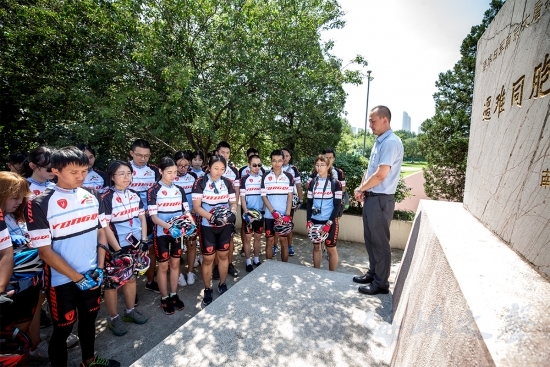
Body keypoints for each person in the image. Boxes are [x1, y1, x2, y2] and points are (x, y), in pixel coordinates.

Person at [25, 146, 120, 367]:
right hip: (62, 281)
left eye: (84, 171)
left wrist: (98, 266)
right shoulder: (39, 203)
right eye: (73, 172)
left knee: (89, 321)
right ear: (56, 170)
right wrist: (77, 278)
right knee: (63, 328)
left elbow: (100, 232)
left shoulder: (93, 195)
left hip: (91, 273)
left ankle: (89, 361)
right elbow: (44, 251)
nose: (80, 177)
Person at [353, 106, 403, 296]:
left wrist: (361, 189)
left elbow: (381, 175)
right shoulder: (379, 142)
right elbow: (371, 170)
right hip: (372, 198)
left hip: (382, 200)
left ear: (385, 120)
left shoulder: (391, 142)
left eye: (373, 121)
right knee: (370, 239)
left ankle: (381, 284)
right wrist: (361, 189)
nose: (370, 125)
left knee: (380, 243)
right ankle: (373, 274)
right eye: (369, 121)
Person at [100, 161, 149, 335]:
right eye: (122, 174)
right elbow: (104, 226)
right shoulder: (105, 196)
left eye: (129, 173)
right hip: (115, 247)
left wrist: (143, 240)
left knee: (131, 278)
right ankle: (114, 318)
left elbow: (142, 219)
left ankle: (129, 311)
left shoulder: (135, 194)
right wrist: (117, 249)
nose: (126, 177)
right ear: (112, 176)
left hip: (134, 244)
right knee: (112, 283)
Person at [0, 172, 43, 363]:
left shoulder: (14, 215)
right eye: (15, 197)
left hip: (30, 278)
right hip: (10, 285)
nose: (19, 202)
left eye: (22, 197)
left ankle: (33, 348)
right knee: (13, 331)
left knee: (32, 315)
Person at [147, 156, 194, 315]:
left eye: (175, 172)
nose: (173, 175)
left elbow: (186, 211)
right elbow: (154, 217)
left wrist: (191, 223)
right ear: (160, 171)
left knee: (175, 265)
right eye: (169, 172)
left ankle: (173, 294)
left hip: (177, 234)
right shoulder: (153, 190)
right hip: (162, 233)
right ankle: (164, 297)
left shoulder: (179, 189)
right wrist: (170, 227)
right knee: (164, 266)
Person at [192, 155, 237, 306]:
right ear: (209, 167)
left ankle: (222, 284)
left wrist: (232, 213)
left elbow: (233, 202)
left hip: (224, 226)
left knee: (223, 257)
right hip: (207, 227)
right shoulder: (200, 182)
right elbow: (196, 207)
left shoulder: (228, 182)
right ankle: (207, 289)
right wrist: (211, 218)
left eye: (222, 169)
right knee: (208, 259)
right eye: (216, 168)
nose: (219, 172)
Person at [128, 139, 161, 293]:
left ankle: (150, 280)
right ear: (131, 153)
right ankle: (130, 287)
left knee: (151, 249)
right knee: (131, 251)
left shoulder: (154, 171)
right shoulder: (123, 169)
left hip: (149, 217)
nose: (143, 158)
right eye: (139, 155)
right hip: (129, 220)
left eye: (146, 156)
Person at [306, 155, 342, 271]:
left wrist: (329, 223)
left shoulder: (335, 183)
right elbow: (309, 203)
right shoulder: (312, 183)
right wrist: (308, 220)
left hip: (329, 221)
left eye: (322, 165)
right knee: (316, 247)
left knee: (331, 248)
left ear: (328, 166)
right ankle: (316, 272)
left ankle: (332, 274)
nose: (319, 167)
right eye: (317, 165)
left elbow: (337, 205)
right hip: (315, 219)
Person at [212, 141, 239, 278]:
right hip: (213, 211)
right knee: (216, 240)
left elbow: (237, 191)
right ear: (217, 153)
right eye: (222, 152)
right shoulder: (210, 168)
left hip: (230, 210)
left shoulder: (234, 171)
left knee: (230, 239)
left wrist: (234, 210)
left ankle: (229, 264)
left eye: (227, 153)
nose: (225, 155)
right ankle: (217, 266)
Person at [261, 150, 294, 262]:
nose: (277, 163)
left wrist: (287, 214)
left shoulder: (289, 176)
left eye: (280, 161)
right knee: (269, 241)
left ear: (283, 161)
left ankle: (284, 267)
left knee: (284, 242)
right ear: (271, 161)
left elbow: (290, 196)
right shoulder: (265, 176)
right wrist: (273, 212)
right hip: (270, 215)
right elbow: (264, 196)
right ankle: (269, 267)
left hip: (284, 216)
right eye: (274, 161)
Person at [172, 151, 199, 287]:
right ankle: (178, 275)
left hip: (191, 215)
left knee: (191, 244)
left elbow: (196, 195)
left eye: (186, 165)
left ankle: (189, 272)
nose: (183, 168)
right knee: (176, 246)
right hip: (174, 217)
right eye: (180, 165)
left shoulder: (193, 176)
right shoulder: (169, 176)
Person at [239, 154, 264, 271]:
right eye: (254, 165)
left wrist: (262, 211)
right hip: (248, 214)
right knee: (248, 238)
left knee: (258, 237)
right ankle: (248, 261)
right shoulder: (244, 179)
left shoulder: (263, 179)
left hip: (260, 214)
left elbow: (265, 197)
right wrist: (246, 213)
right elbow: (242, 198)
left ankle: (256, 259)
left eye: (259, 165)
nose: (257, 167)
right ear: (249, 165)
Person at [280, 147, 302, 257]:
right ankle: (275, 246)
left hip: (290, 201)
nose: (284, 158)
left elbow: (298, 185)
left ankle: (289, 245)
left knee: (288, 224)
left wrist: (300, 199)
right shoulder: (274, 167)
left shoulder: (293, 169)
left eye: (287, 156)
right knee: (277, 222)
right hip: (277, 201)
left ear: (290, 157)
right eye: (282, 156)